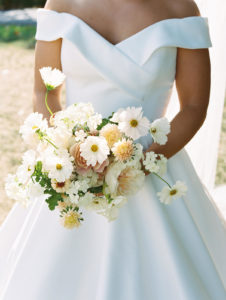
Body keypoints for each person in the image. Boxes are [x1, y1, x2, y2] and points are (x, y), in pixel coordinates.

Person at [0, 0, 226, 299]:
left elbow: (195, 107)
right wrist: (66, 151)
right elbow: (45, 92)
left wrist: (134, 165)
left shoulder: (180, 8)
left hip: (153, 165)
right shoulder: (61, 4)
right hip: (72, 171)